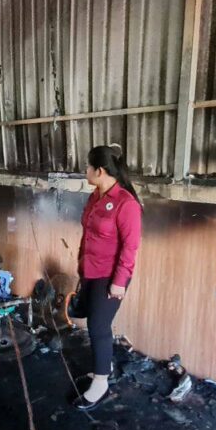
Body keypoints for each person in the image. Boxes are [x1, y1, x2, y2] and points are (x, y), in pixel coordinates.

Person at [71, 144, 143, 411]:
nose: (86, 171)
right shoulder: (95, 197)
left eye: (88, 167)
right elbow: (88, 235)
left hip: (110, 275)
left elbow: (130, 247)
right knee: (95, 323)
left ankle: (100, 383)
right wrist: (81, 266)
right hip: (90, 270)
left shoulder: (126, 203)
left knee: (98, 327)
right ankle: (103, 368)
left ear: (99, 171)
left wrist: (119, 282)